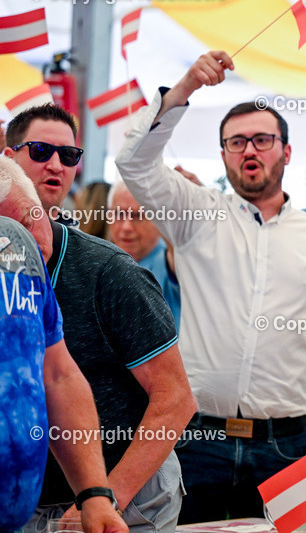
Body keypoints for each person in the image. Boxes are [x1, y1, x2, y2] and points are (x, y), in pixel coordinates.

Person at [114, 51, 306, 520]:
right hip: (197, 440)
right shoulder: (194, 215)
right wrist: (186, 86)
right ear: (223, 155)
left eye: (261, 140)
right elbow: (133, 161)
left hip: (287, 447)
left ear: (286, 152)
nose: (249, 151)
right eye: (236, 143)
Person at [1, 155, 195, 532]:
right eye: (9, 235)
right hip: (35, 503)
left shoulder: (109, 272)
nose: (26, 243)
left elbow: (176, 399)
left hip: (130, 492)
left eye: (30, 220)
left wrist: (103, 495)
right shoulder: (17, 274)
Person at [0, 173, 126, 533]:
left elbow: (58, 375)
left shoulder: (24, 267)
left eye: (30, 220)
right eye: (11, 225)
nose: (19, 241)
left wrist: (94, 493)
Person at [108, 183, 182, 330]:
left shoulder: (169, 262)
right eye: (119, 214)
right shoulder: (103, 262)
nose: (126, 227)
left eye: (137, 216)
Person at [4, 104, 83, 226]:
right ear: (10, 158)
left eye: (67, 154)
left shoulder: (86, 244)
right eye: (41, 151)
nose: (56, 167)